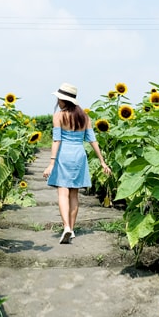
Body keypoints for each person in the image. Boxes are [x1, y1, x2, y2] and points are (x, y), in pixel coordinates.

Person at [42, 82, 111, 244]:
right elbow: (93, 140)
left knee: (63, 193)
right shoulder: (84, 117)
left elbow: (56, 140)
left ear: (64, 100)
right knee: (74, 194)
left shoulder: (59, 116)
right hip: (79, 155)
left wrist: (51, 163)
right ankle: (71, 229)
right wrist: (102, 161)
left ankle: (66, 226)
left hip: (64, 155)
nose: (58, 101)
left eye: (59, 98)